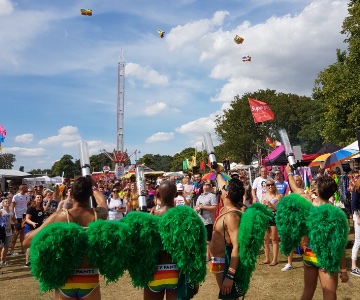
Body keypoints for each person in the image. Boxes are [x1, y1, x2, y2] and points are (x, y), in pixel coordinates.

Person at [23, 177, 108, 300]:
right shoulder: (99, 214)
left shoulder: (61, 216)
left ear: (71, 193)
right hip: (89, 277)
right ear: (90, 194)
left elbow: (26, 242)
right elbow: (102, 202)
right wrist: (93, 189)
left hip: (65, 278)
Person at [286, 165, 349, 300]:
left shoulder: (309, 203)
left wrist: (289, 173)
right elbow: (340, 244)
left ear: (318, 190)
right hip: (326, 256)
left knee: (308, 292)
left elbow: (295, 189)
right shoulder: (336, 214)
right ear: (332, 193)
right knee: (329, 295)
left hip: (309, 253)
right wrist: (343, 270)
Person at [209, 176, 245, 299]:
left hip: (225, 263)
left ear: (227, 194)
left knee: (229, 298)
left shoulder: (231, 216)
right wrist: (217, 171)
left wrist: (230, 276)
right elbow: (223, 183)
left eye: (223, 189)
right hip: (218, 262)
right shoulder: (226, 208)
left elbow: (237, 246)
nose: (221, 189)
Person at [144, 180, 178, 300]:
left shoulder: (150, 218)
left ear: (158, 196)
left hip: (155, 271)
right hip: (176, 271)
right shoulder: (183, 217)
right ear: (176, 195)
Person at [260, 178, 281, 266]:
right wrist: (264, 206)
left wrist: (272, 206)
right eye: (268, 185)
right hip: (265, 217)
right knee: (265, 239)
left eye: (272, 184)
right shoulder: (263, 196)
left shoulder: (278, 196)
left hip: (274, 216)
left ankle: (274, 259)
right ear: (266, 186)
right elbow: (261, 208)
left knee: (274, 239)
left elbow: (279, 209)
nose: (270, 186)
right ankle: (267, 258)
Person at [195, 181, 218, 261]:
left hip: (208, 220)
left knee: (208, 239)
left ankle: (208, 256)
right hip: (200, 220)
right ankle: (204, 255)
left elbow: (215, 207)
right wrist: (196, 209)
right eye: (205, 185)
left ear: (211, 187)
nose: (206, 186)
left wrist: (203, 207)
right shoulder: (200, 196)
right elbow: (196, 206)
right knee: (202, 238)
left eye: (208, 185)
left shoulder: (212, 196)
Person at [24, 193, 45, 267]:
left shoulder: (42, 208)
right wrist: (32, 223)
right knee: (30, 244)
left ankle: (35, 260)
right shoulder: (31, 208)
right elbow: (27, 219)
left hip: (38, 228)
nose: (39, 198)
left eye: (40, 197)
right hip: (30, 227)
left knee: (37, 244)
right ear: (35, 199)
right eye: (37, 197)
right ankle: (27, 262)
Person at [10, 185, 30, 255]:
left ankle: (23, 248)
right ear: (22, 188)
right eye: (26, 187)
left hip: (24, 217)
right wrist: (12, 216)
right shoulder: (16, 196)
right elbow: (12, 207)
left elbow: (28, 205)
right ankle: (12, 249)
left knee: (22, 233)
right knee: (16, 233)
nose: (27, 188)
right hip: (18, 217)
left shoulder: (27, 196)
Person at [0, 193, 15, 266]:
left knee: (6, 246)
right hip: (1, 231)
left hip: (9, 230)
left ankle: (3, 260)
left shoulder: (11, 211)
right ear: (2, 203)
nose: (8, 202)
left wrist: (15, 224)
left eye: (8, 201)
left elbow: (13, 220)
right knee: (0, 246)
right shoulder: (1, 211)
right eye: (6, 201)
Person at [350, 177, 360, 276]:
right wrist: (358, 217)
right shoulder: (356, 189)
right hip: (358, 217)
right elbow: (354, 205)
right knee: (358, 241)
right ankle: (353, 266)